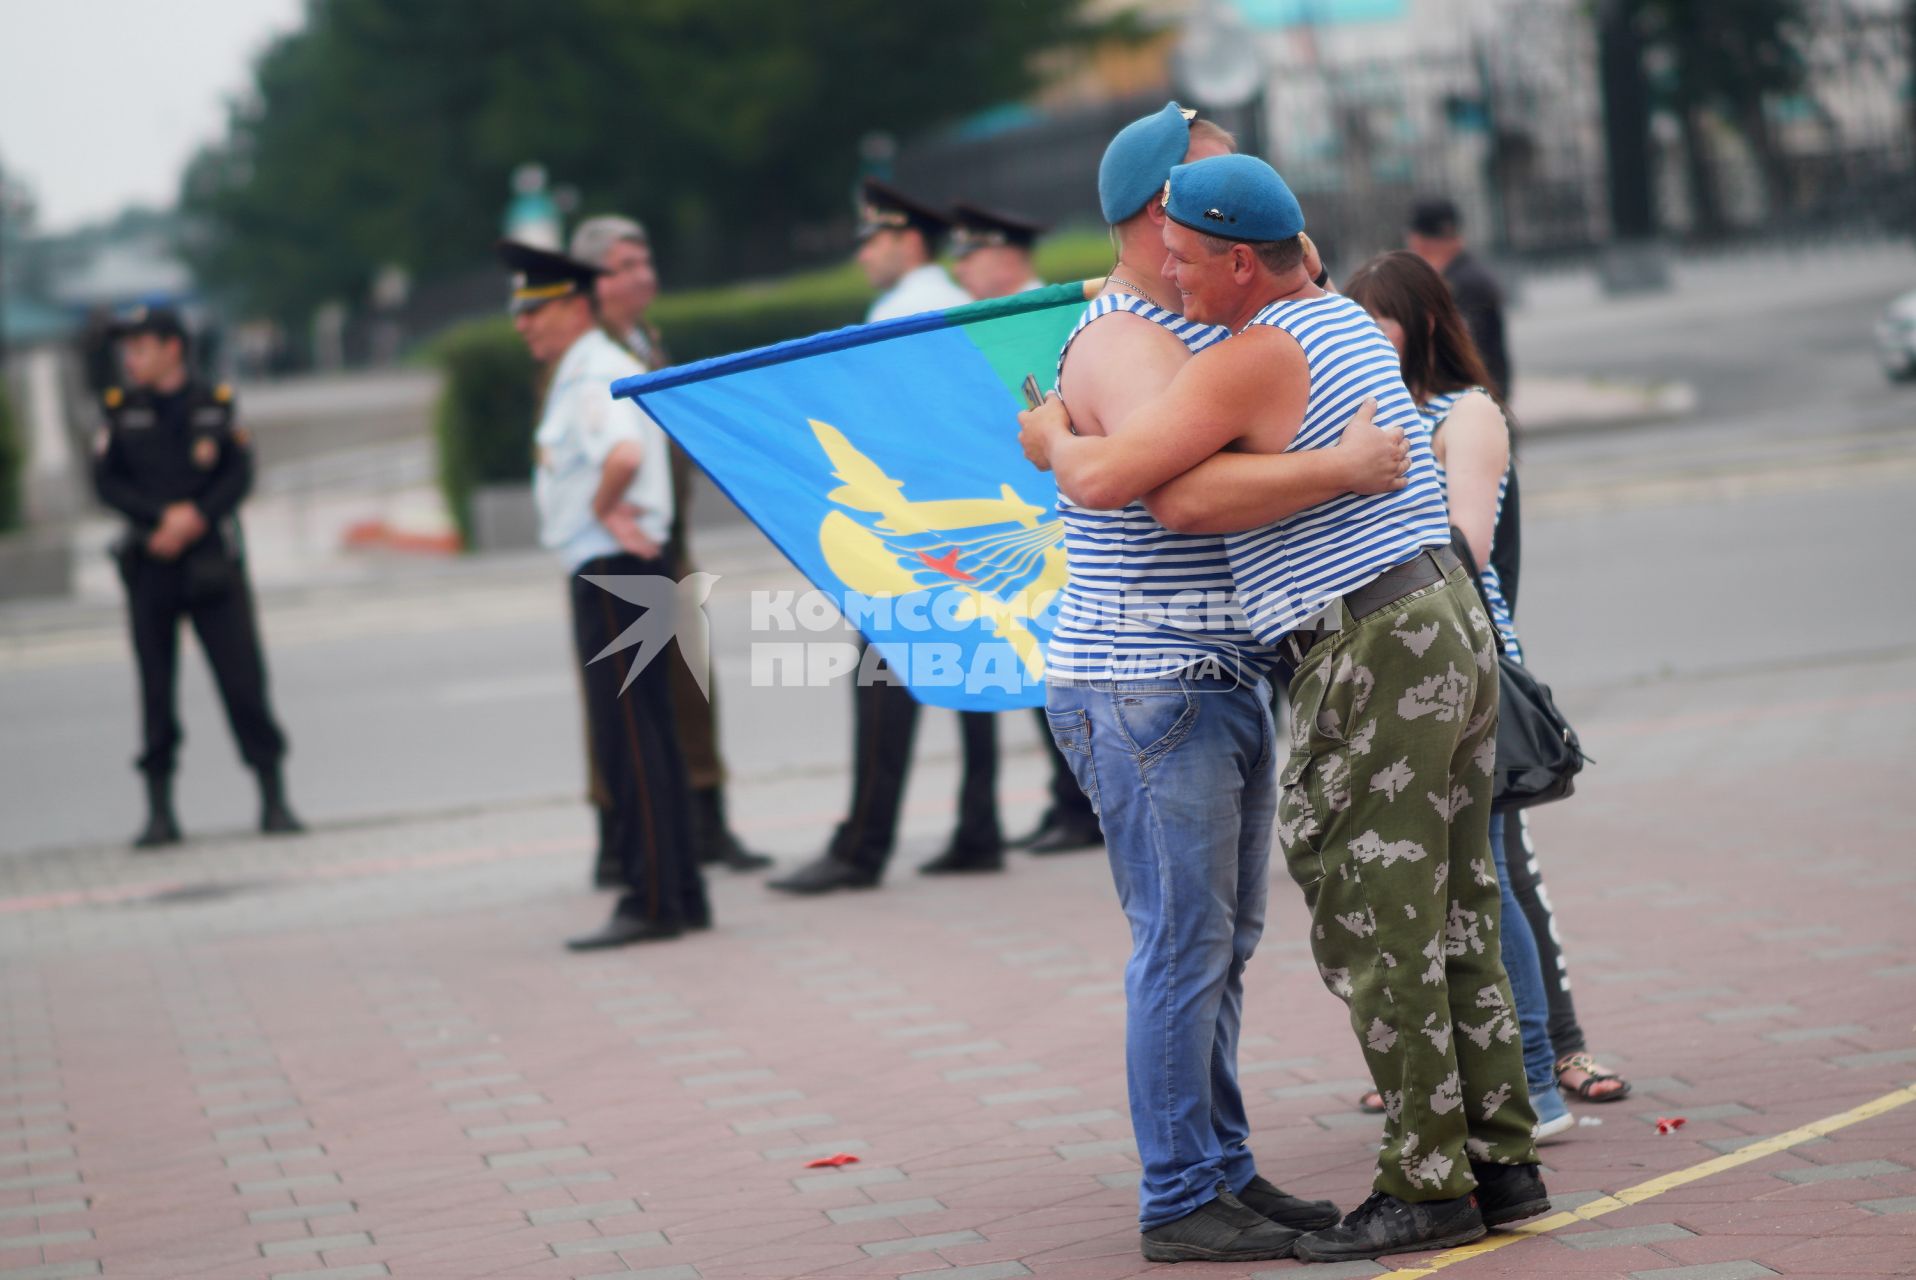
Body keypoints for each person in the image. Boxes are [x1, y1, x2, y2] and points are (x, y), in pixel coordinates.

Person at [1020, 154, 1548, 1263]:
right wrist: (1344, 467)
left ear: (1243, 263)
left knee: (1376, 915)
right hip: (1439, 617)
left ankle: (1426, 1181)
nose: (1170, 273)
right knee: (1454, 903)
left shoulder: (1257, 355)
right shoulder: (1354, 323)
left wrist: (1054, 440)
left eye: (1188, 256)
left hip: (1367, 644)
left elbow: (1143, 488)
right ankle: (1502, 1160)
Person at [1344, 251, 1632, 1110]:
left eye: (1378, 319)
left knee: (1497, 873)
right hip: (1382, 668)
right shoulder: (1365, 411)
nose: (1363, 336)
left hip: (1465, 663)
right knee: (1412, 884)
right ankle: (1455, 1069)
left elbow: (1464, 541)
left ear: (1425, 322)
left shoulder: (1466, 415)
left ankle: (1544, 1070)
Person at [768, 180, 1005, 894]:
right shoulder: (954, 300)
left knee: (882, 683)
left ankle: (860, 849)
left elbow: (883, 431)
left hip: (909, 531)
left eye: (872, 240)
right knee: (975, 666)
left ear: (906, 239)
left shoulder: (902, 310)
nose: (864, 255)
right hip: (964, 523)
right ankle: (978, 827)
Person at [497, 240, 710, 951]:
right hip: (624, 567)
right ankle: (682, 891)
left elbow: (620, 454)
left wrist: (600, 506)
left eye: (534, 309)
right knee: (650, 732)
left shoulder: (591, 372)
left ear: (574, 306)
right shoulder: (590, 367)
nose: (522, 324)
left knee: (631, 742)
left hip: (614, 570)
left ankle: (651, 902)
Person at [568, 214, 772, 879]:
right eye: (624, 264)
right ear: (593, 282)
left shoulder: (645, 342)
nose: (642, 275)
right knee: (620, 706)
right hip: (614, 552)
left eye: (645, 260)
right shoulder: (584, 354)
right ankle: (616, 837)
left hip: (668, 548)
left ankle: (707, 825)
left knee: (690, 688)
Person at [91, 305, 300, 848]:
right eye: (127, 349)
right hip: (150, 563)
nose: (131, 359)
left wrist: (196, 517)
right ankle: (160, 813)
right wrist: (158, 518)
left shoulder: (215, 405)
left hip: (211, 562)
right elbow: (106, 482)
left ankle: (273, 798)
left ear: (173, 348)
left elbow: (239, 473)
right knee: (156, 691)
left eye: (141, 347)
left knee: (243, 683)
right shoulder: (120, 410)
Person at [945, 202, 1102, 857]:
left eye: (971, 256)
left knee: (1059, 657)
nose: (961, 270)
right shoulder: (992, 322)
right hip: (1024, 508)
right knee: (1039, 656)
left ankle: (1082, 804)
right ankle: (1069, 800)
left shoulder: (1041, 319)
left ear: (1006, 256)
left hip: (1055, 511)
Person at [1407, 198, 1512, 402]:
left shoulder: (1459, 284)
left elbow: (1460, 349)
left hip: (1475, 402)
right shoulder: (1467, 275)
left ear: (1419, 241)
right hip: (1482, 397)